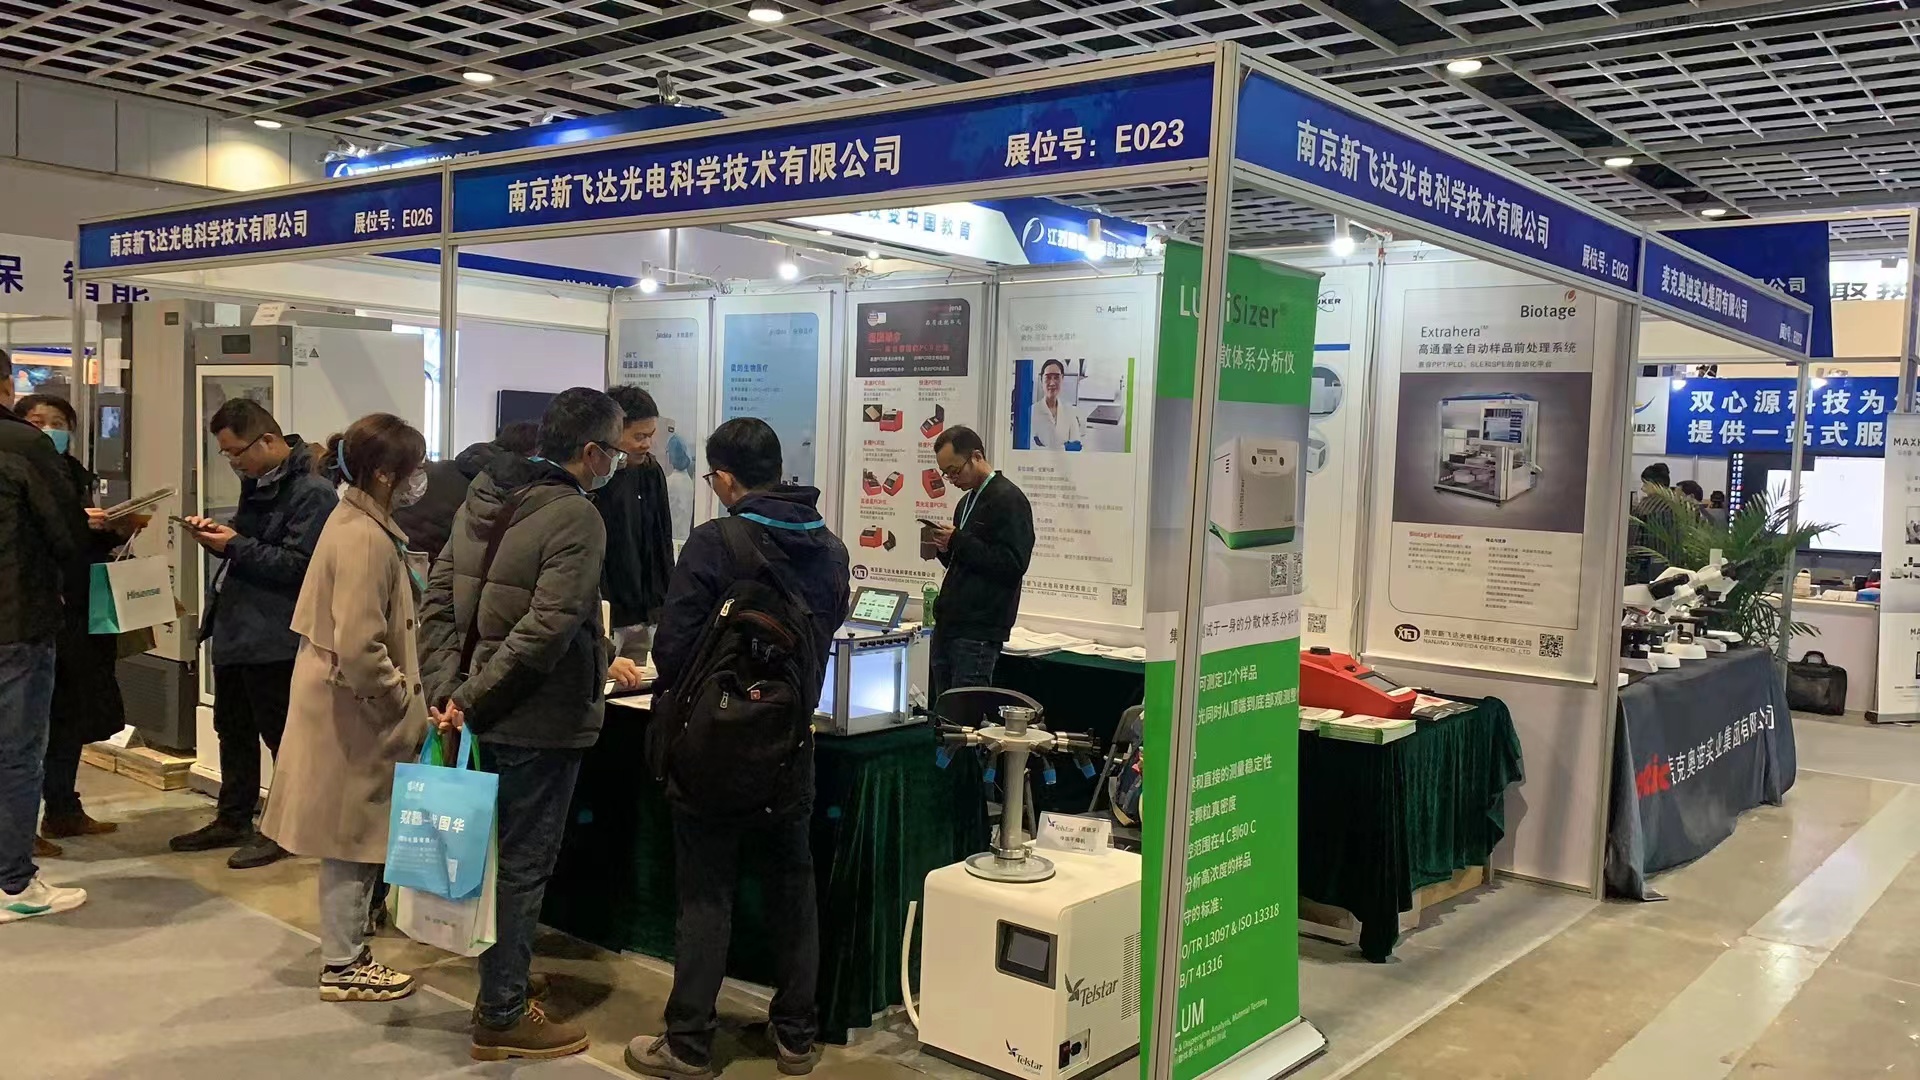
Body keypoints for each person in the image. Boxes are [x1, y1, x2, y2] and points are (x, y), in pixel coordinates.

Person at [625, 417, 850, 1080]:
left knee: (706, 894)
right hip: (789, 742)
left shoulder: (713, 543)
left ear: (725, 479)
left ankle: (690, 1042)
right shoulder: (831, 548)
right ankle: (797, 1037)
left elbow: (672, 650)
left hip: (710, 748)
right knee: (792, 887)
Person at [419, 387, 632, 1062]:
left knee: (489, 861)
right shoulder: (577, 515)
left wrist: (449, 693)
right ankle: (503, 1013)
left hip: (475, 711)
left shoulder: (482, 493)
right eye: (617, 450)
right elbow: (547, 629)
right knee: (519, 868)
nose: (618, 463)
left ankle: (502, 979)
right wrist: (469, 700)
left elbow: (436, 602)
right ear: (591, 452)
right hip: (535, 720)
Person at [260, 414, 430, 1002]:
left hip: (341, 705)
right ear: (384, 473)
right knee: (351, 841)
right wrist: (396, 701)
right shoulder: (364, 537)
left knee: (348, 838)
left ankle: (345, 953)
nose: (419, 479)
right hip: (355, 712)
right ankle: (344, 962)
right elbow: (360, 645)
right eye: (413, 468)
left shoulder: (355, 520)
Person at [169, 399, 338, 870]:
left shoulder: (313, 492)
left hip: (276, 636)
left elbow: (301, 566)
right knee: (233, 729)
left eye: (236, 452)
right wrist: (219, 538)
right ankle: (233, 817)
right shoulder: (257, 484)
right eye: (225, 454)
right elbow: (252, 547)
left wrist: (236, 545)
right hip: (236, 627)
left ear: (267, 440)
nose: (232, 462)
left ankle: (285, 828)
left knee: (283, 739)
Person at [13, 394, 138, 856]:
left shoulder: (76, 475)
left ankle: (63, 808)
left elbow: (78, 544)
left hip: (81, 612)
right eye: (38, 420)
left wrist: (114, 529)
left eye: (59, 422)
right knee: (27, 726)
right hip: (31, 612)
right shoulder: (20, 471)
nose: (50, 430)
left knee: (69, 717)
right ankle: (18, 831)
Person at [0, 351, 90, 923]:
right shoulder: (21, 445)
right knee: (16, 753)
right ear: (7, 385)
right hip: (16, 621)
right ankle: (12, 883)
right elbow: (66, 532)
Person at [926, 425, 1034, 706]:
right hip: (949, 623)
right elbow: (967, 562)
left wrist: (958, 540)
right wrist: (945, 549)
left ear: (976, 456)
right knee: (943, 713)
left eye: (954, 471)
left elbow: (1013, 564)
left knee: (965, 715)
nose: (951, 479)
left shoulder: (1009, 499)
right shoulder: (966, 502)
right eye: (946, 474)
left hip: (978, 630)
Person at [598, 386, 674, 662]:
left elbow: (663, 541)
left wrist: (665, 604)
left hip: (648, 614)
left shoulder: (651, 472)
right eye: (639, 437)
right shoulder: (597, 478)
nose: (646, 444)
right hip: (608, 617)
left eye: (650, 436)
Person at [394, 420, 538, 563]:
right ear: (529, 455)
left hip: (403, 557)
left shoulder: (440, 469)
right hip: (433, 566)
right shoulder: (493, 491)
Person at [1028, 358, 1087, 450]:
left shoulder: (1070, 411)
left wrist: (1044, 449)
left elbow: (1076, 446)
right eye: (1048, 377)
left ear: (1062, 379)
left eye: (1056, 377)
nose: (1052, 383)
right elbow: (1031, 449)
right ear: (1041, 380)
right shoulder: (1031, 412)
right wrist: (1065, 447)